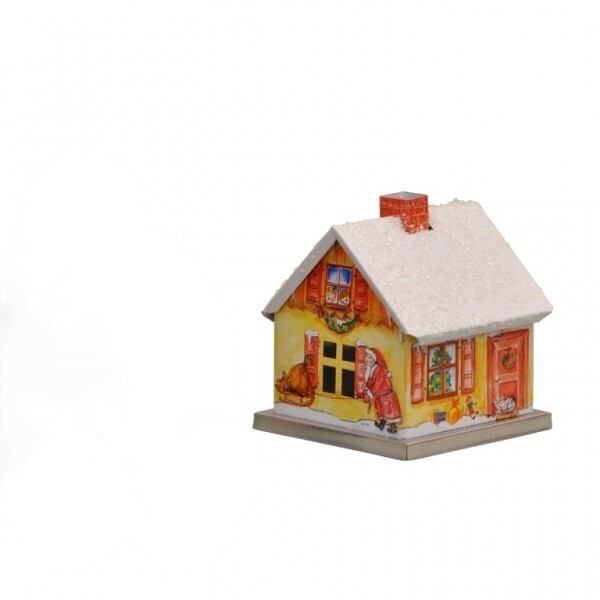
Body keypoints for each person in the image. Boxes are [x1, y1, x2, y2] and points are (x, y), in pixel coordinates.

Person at [362, 348, 402, 434]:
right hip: (380, 396)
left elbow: (376, 384)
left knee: (389, 413)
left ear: (374, 358)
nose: (368, 360)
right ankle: (381, 424)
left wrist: (369, 394)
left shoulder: (379, 370)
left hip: (386, 396)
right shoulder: (371, 370)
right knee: (382, 412)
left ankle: (393, 427)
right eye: (367, 358)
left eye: (370, 357)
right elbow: (370, 382)